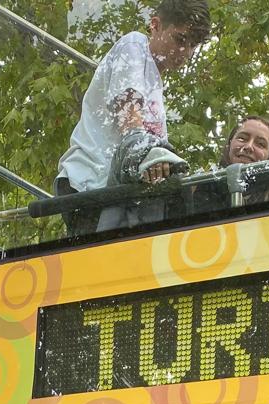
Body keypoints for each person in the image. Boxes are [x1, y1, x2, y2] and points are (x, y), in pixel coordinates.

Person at [53, 0, 213, 236]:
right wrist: (146, 151)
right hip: (91, 183)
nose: (186, 52)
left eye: (193, 45)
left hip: (117, 194)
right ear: (155, 25)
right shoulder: (134, 45)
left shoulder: (156, 83)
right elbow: (130, 120)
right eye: (181, 39)